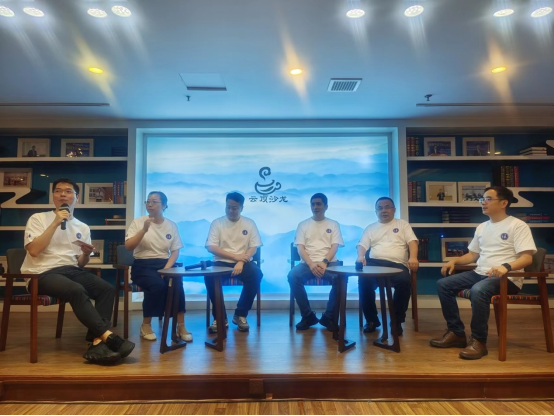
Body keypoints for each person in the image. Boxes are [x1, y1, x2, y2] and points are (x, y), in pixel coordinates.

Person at [20, 178, 135, 365]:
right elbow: (33, 250)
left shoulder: (82, 227)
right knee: (76, 290)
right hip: (41, 273)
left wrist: (86, 254)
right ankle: (109, 337)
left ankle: (97, 341)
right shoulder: (38, 218)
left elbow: (80, 264)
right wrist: (55, 223)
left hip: (71, 270)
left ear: (77, 197)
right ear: (53, 196)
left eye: (68, 191)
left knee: (106, 289)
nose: (63, 194)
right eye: (58, 191)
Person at [430, 186, 537, 360]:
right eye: (482, 199)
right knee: (443, 284)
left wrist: (506, 267)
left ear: (504, 203)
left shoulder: (517, 225)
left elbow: (527, 258)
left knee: (478, 290)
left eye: (488, 199)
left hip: (507, 278)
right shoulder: (482, 227)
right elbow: (473, 255)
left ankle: (479, 341)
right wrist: (455, 261)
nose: (483, 203)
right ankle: (456, 333)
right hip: (480, 273)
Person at [125, 191, 190, 342]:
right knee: (157, 285)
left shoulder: (171, 225)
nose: (150, 205)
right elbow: (129, 246)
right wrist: (143, 230)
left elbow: (175, 251)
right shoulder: (138, 222)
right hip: (143, 266)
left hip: (164, 264)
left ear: (164, 205)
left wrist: (166, 268)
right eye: (148, 202)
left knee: (177, 284)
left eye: (154, 202)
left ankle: (181, 325)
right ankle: (145, 325)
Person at [356, 197, 419, 335]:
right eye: (380, 208)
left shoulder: (403, 224)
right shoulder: (370, 228)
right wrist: (361, 256)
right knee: (364, 280)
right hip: (374, 263)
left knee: (404, 282)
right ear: (376, 211)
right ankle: (371, 320)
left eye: (387, 207)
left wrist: (413, 257)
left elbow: (412, 242)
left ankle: (396, 321)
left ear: (394, 209)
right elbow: (362, 244)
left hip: (397, 265)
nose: (384, 210)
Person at [205, 192, 263, 333]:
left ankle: (240, 315)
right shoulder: (217, 223)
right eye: (228, 207)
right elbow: (211, 247)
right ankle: (220, 318)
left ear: (241, 208)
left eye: (234, 208)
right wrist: (236, 258)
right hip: (221, 262)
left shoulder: (249, 223)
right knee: (209, 277)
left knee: (256, 274)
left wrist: (241, 261)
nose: (231, 210)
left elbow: (253, 247)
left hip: (244, 262)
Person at [288, 193, 345, 331]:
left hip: (330, 264)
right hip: (306, 264)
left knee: (340, 279)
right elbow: (300, 248)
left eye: (318, 204)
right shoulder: (303, 225)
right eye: (313, 204)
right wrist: (311, 264)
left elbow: (335, 246)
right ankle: (307, 316)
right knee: (292, 276)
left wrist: (324, 262)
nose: (315, 207)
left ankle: (329, 318)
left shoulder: (333, 224)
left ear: (326, 206)